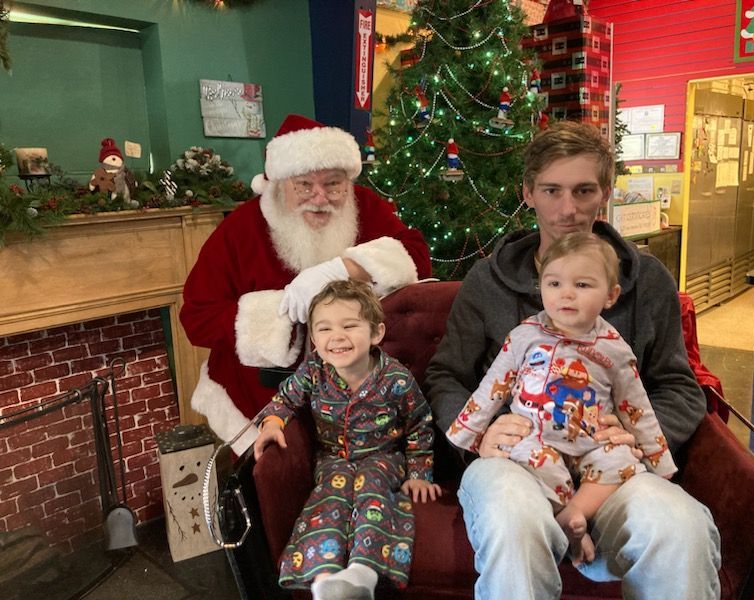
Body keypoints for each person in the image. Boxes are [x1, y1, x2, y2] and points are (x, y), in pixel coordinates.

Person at [425, 120, 721, 599]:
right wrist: (479, 432)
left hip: (610, 467)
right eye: (552, 190)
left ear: (604, 192)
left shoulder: (648, 281)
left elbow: (680, 386)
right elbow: (446, 375)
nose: (568, 209)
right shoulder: (487, 282)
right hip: (515, 460)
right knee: (512, 518)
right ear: (528, 193)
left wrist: (639, 433)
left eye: (584, 190)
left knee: (680, 526)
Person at [180, 114, 432, 454]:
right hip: (264, 393)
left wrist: (343, 269)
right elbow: (197, 317)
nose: (320, 197)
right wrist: (281, 316)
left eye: (333, 183)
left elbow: (415, 256)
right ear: (280, 182)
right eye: (304, 185)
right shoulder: (239, 230)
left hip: (360, 389)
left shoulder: (367, 207)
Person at [446, 231, 677, 566]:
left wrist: (660, 461)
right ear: (541, 288)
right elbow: (492, 388)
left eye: (582, 286)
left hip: (593, 443)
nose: (566, 294)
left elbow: (636, 407)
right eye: (554, 284)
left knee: (624, 461)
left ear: (611, 295)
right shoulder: (524, 336)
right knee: (529, 461)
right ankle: (565, 523)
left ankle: (574, 514)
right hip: (535, 438)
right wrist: (470, 435)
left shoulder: (615, 349)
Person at [253, 279, 442, 600]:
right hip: (332, 461)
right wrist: (272, 422)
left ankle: (362, 574)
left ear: (376, 333)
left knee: (373, 492)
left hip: (384, 459)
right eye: (324, 329)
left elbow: (419, 426)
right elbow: (286, 399)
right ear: (313, 339)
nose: (336, 337)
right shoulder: (314, 370)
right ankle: (325, 579)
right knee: (329, 499)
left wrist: (419, 475)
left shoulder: (396, 379)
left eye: (349, 326)